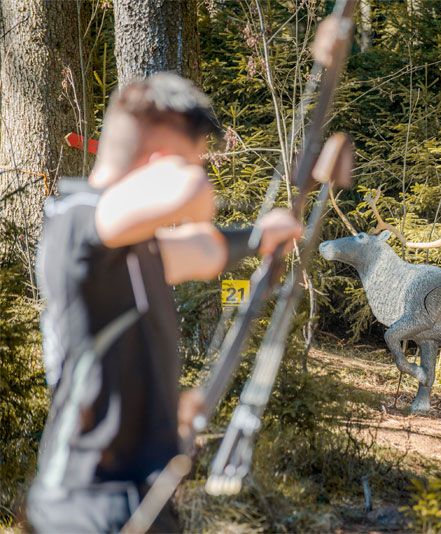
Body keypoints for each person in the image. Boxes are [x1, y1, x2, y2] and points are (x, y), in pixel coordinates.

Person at [26, 72, 302, 532]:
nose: (199, 171)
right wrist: (182, 174)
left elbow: (201, 251)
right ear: (158, 161)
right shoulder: (75, 218)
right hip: (84, 506)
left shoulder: (127, 247)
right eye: (192, 158)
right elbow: (190, 194)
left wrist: (262, 237)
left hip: (139, 501)